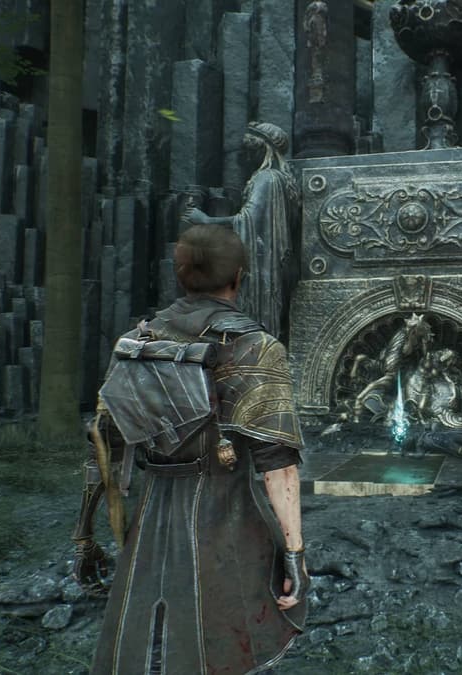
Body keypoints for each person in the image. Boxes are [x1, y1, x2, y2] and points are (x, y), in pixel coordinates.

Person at [71, 225, 309, 674]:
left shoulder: (137, 342)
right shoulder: (254, 348)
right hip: (228, 524)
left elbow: (103, 444)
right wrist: (295, 555)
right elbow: (278, 466)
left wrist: (84, 538)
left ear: (180, 276)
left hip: (149, 525)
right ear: (238, 277)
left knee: (140, 650)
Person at [184, 122, 300, 344]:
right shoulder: (276, 179)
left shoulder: (267, 178)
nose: (245, 158)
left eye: (250, 150)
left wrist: (207, 220)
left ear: (263, 149)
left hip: (262, 264)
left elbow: (249, 219)